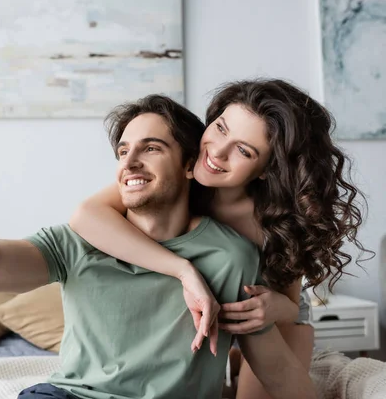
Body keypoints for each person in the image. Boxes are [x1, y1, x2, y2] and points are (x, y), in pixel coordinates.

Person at [0, 90, 317, 399]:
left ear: (188, 165)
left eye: (151, 148)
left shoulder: (233, 253)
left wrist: (281, 308)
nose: (130, 162)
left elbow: (277, 367)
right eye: (123, 151)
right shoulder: (81, 238)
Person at [69, 79, 372, 397]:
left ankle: (240, 359)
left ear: (268, 168)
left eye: (243, 150)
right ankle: (231, 359)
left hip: (268, 320)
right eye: (221, 128)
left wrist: (272, 308)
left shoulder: (280, 217)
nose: (216, 152)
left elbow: (292, 305)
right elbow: (85, 217)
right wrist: (182, 270)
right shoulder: (179, 175)